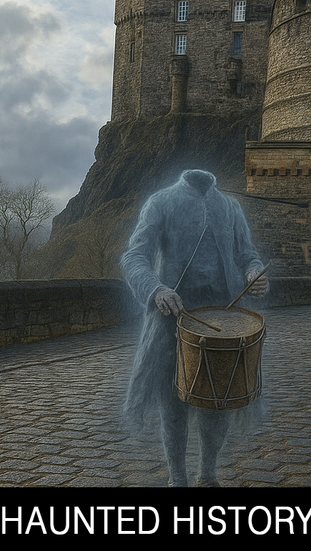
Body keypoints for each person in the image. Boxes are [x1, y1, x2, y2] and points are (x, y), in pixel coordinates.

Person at [121, 169, 268, 487]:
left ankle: (208, 475)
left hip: (223, 320)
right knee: (172, 401)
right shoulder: (161, 202)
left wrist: (254, 271)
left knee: (220, 400)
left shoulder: (230, 207)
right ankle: (177, 478)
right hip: (172, 317)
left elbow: (246, 253)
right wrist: (156, 289)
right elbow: (135, 256)